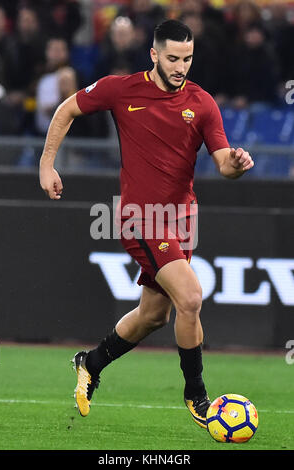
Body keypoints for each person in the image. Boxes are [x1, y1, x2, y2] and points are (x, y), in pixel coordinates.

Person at [39, 20, 254, 429]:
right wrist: (47, 164)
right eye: (173, 58)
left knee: (155, 314)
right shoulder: (122, 89)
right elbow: (68, 109)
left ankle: (91, 362)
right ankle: (198, 397)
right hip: (141, 216)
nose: (180, 66)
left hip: (182, 219)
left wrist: (238, 164)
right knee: (190, 298)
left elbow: (223, 161)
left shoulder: (202, 103)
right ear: (154, 55)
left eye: (187, 59)